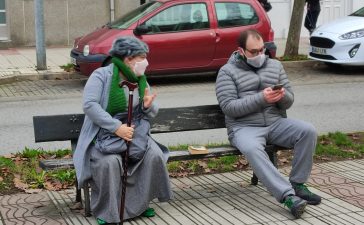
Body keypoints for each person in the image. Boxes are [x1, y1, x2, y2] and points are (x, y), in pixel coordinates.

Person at [215, 29, 321, 219]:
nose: (259, 55)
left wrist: (282, 96)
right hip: (244, 128)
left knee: (308, 131)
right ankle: (288, 196)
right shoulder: (227, 72)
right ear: (241, 51)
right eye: (253, 52)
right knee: (252, 148)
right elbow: (229, 108)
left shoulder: (275, 66)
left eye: (261, 50)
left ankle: (297, 183)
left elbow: (289, 101)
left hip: (275, 123)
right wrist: (262, 98)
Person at [73, 36, 173, 225]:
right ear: (128, 59)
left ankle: (140, 204)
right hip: (103, 134)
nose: (145, 62)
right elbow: (89, 105)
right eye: (141, 57)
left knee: (154, 156)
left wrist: (146, 106)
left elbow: (153, 109)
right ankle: (106, 211)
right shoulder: (101, 75)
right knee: (109, 162)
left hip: (135, 133)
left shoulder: (141, 79)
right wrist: (116, 127)